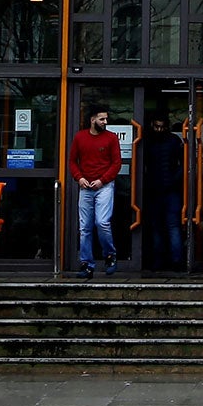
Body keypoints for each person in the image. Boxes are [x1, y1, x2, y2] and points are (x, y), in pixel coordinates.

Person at [69, 105, 122, 277]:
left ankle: (110, 255)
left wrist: (102, 180)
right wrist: (79, 178)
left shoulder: (111, 138)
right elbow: (72, 161)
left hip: (104, 186)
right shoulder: (80, 137)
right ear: (92, 120)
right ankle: (87, 264)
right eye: (101, 119)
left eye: (106, 119)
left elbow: (116, 164)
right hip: (86, 186)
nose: (105, 122)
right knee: (84, 227)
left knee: (102, 222)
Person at [140, 114, 185, 273]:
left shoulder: (149, 141)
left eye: (161, 126)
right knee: (166, 227)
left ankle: (165, 262)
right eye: (157, 126)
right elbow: (183, 164)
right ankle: (174, 262)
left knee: (162, 227)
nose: (159, 129)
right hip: (164, 189)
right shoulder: (173, 141)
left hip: (162, 189)